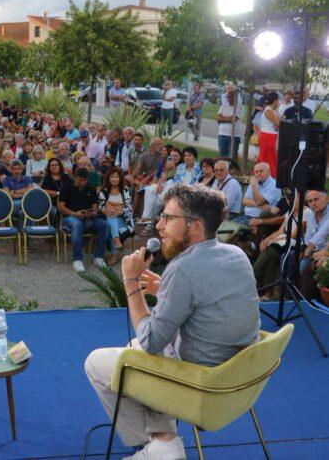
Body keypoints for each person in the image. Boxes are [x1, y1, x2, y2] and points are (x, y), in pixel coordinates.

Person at [85, 183, 260, 460]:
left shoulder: (183, 269)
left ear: (195, 226)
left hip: (200, 387)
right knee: (136, 347)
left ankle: (160, 445)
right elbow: (209, 302)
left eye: (168, 218)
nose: (159, 226)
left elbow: (151, 342)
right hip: (237, 381)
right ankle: (162, 438)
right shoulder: (236, 255)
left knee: (97, 361)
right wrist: (165, 289)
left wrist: (130, 281)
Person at [58, 167, 108, 272]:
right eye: (80, 180)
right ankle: (77, 259)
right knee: (77, 224)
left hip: (87, 218)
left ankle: (98, 257)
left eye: (85, 180)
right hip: (70, 218)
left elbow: (95, 207)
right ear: (74, 178)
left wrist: (92, 213)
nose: (82, 182)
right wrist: (74, 213)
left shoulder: (91, 189)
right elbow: (61, 207)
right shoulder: (66, 188)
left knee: (104, 224)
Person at [100, 167, 134, 254]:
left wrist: (119, 211)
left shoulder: (125, 190)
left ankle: (114, 253)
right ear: (108, 178)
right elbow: (100, 206)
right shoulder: (103, 191)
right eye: (112, 177)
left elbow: (129, 207)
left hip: (123, 220)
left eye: (116, 177)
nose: (114, 179)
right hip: (108, 218)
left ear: (120, 178)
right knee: (111, 217)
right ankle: (117, 241)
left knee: (111, 220)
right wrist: (107, 211)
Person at [257, 92, 280, 177]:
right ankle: (269, 177)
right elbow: (279, 124)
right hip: (268, 137)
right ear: (275, 101)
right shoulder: (269, 111)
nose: (279, 102)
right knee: (268, 160)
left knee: (270, 159)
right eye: (278, 100)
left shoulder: (272, 111)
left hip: (270, 136)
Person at [216, 90, 244, 158]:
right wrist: (227, 118)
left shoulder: (239, 107)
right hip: (222, 134)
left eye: (231, 97)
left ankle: (232, 168)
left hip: (234, 135)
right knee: (222, 156)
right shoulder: (223, 106)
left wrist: (223, 118)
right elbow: (217, 119)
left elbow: (233, 119)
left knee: (232, 157)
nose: (229, 99)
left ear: (235, 97)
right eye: (227, 97)